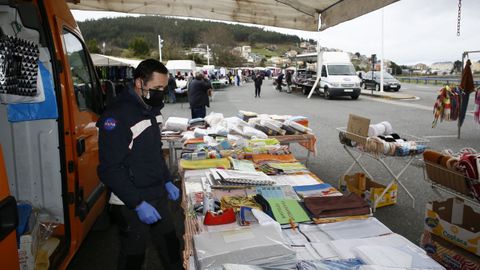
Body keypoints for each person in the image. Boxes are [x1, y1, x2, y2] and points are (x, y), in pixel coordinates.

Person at [97, 59, 183, 270]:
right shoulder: (117, 116)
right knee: (133, 257)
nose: (161, 93)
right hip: (131, 201)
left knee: (171, 246)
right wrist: (137, 203)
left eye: (164, 88)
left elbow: (154, 153)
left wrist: (166, 180)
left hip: (156, 193)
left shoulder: (153, 109)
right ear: (139, 83)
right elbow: (110, 169)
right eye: (157, 88)